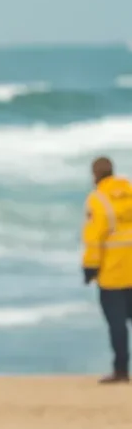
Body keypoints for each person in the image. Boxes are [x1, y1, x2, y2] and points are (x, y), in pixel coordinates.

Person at [82, 156, 132, 384]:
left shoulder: (98, 200)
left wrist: (90, 268)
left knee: (117, 325)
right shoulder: (130, 192)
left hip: (113, 274)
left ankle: (121, 371)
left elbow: (95, 238)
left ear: (95, 175)